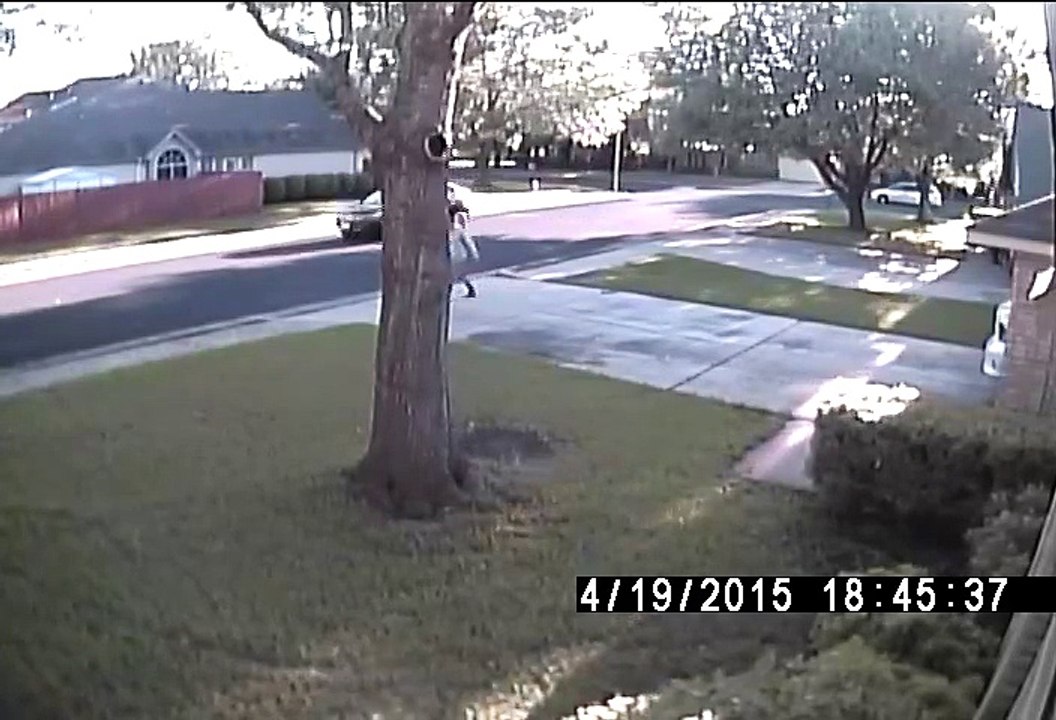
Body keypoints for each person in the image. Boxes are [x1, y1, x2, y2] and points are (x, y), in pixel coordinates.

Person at [448, 199, 479, 297]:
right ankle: (470, 289)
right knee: (457, 275)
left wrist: (473, 253)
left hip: (455, 256)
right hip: (457, 255)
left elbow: (466, 241)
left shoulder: (455, 230)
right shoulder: (456, 229)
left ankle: (449, 294)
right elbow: (468, 242)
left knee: (452, 275)